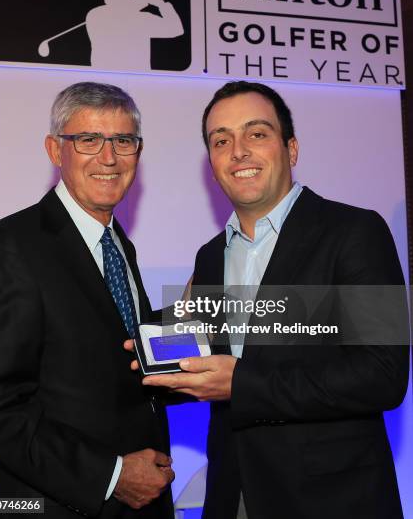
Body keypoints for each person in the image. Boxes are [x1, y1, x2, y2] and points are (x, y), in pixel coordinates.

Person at [140, 81, 409, 518]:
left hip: (333, 502)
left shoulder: (355, 232)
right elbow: (195, 363)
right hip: (233, 498)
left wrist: (241, 383)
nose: (238, 151)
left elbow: (382, 374)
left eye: (256, 133)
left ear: (292, 149)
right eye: (221, 140)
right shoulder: (210, 258)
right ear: (212, 162)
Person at [0, 82, 175, 519]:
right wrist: (112, 475)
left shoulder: (117, 244)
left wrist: (191, 319)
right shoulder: (8, 246)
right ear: (53, 150)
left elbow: (111, 355)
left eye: (123, 140)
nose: (108, 157)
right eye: (88, 140)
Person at [86, 0, 184, 71]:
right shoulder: (96, 14)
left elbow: (176, 29)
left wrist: (162, 4)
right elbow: (120, 12)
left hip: (138, 78)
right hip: (103, 79)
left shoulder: (142, 18)